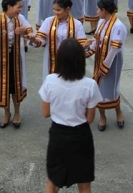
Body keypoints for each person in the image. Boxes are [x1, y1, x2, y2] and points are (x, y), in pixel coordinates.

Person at [39, 39, 102, 193]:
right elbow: (90, 119)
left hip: (58, 135)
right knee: (84, 184)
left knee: (53, 182)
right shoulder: (90, 84)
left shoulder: (50, 80)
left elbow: (46, 113)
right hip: (80, 136)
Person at [0, 0, 33, 129]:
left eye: (21, 7)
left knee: (16, 87)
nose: (20, 10)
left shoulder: (20, 19)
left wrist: (24, 31)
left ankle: (17, 113)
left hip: (16, 58)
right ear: (9, 6)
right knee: (4, 88)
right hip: (1, 59)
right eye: (18, 7)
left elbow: (30, 32)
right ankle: (7, 113)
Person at [86, 0, 127, 131]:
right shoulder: (101, 22)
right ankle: (102, 117)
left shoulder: (118, 26)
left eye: (98, 9)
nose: (97, 11)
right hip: (100, 58)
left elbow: (114, 49)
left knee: (112, 88)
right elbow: (96, 39)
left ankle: (118, 112)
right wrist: (89, 52)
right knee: (99, 88)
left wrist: (104, 66)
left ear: (104, 10)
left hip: (112, 61)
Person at [30, 0, 87, 81]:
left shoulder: (77, 24)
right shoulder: (48, 21)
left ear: (67, 9)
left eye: (58, 10)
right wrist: (33, 39)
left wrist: (85, 46)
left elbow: (81, 44)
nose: (55, 12)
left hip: (70, 60)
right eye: (54, 9)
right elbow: (41, 40)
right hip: (52, 59)